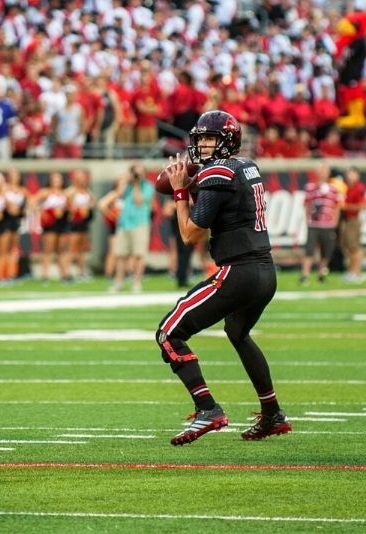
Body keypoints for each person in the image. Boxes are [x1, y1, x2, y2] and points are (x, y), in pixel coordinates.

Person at [158, 110, 291, 446]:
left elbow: (191, 236)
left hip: (239, 273)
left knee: (169, 333)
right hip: (265, 271)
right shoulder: (246, 165)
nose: (202, 145)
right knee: (238, 332)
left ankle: (207, 408)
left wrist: (179, 193)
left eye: (209, 139)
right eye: (199, 138)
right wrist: (193, 187)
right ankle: (272, 413)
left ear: (226, 141)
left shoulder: (217, 171)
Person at [110, 163, 154, 293]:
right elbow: (118, 195)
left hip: (140, 223)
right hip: (124, 223)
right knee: (121, 254)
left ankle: (136, 282)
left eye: (140, 172)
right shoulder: (126, 185)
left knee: (139, 254)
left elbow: (139, 200)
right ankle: (118, 282)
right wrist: (126, 180)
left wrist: (136, 185)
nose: (137, 175)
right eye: (135, 172)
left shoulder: (148, 186)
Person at [300, 163, 344, 285]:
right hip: (314, 224)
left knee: (326, 251)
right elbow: (307, 204)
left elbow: (337, 206)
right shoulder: (310, 187)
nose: (322, 172)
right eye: (320, 170)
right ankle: (305, 275)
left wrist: (335, 221)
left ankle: (321, 275)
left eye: (325, 170)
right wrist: (307, 219)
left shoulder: (334, 188)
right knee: (309, 250)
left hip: (328, 224)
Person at [36, 172, 71, 281]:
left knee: (62, 249)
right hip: (50, 224)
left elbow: (70, 207)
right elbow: (33, 202)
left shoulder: (66, 193)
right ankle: (45, 274)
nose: (57, 182)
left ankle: (64, 274)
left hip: (62, 222)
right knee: (48, 249)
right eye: (54, 179)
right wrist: (44, 213)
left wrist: (64, 210)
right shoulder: (45, 192)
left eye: (59, 179)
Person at [66, 170, 95, 280]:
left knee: (82, 249)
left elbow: (92, 202)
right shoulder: (72, 191)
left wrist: (87, 209)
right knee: (72, 247)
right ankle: (67, 271)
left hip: (84, 221)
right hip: (74, 222)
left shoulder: (87, 191)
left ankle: (82, 271)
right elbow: (69, 205)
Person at [341, 166, 365, 283]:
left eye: (351, 173)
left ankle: (357, 272)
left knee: (354, 247)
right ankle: (352, 271)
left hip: (354, 219)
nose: (349, 176)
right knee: (349, 247)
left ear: (357, 175)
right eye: (348, 173)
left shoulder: (359, 188)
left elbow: (362, 206)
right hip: (348, 219)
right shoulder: (347, 187)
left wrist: (345, 207)